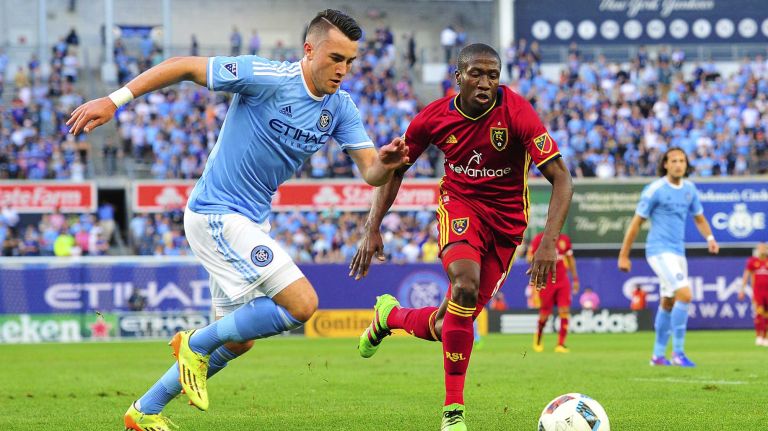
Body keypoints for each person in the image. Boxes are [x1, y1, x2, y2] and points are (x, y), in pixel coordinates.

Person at [68, 10, 408, 431]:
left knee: (239, 340)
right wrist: (115, 100)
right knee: (303, 305)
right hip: (216, 213)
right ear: (309, 49)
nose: (343, 69)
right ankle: (194, 343)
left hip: (248, 221)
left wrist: (387, 164)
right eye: (335, 57)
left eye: (350, 61)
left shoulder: (339, 108)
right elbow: (185, 66)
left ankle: (145, 410)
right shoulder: (267, 77)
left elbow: (371, 172)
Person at [349, 43, 573, 431]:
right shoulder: (433, 118)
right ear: (458, 77)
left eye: (493, 75)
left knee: (448, 325)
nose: (486, 82)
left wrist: (549, 242)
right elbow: (395, 168)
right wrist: (372, 226)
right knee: (464, 287)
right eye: (476, 74)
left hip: (507, 226)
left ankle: (390, 316)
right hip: (460, 205)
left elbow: (562, 178)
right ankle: (454, 412)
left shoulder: (518, 112)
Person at [618, 147, 719, 367]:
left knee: (669, 300)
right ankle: (679, 353)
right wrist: (624, 255)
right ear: (665, 164)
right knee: (685, 294)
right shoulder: (655, 190)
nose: (678, 164)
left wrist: (710, 237)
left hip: (678, 252)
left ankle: (657, 355)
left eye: (682, 160)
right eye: (673, 160)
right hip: (658, 250)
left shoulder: (689, 189)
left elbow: (699, 218)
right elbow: (636, 224)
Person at [529, 231, 579, 353]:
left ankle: (561, 344)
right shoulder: (539, 239)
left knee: (564, 310)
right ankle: (538, 340)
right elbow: (529, 257)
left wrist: (575, 279)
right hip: (546, 281)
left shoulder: (564, 239)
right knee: (545, 313)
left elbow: (570, 259)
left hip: (562, 281)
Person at [739, 243, 768, 346]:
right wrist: (742, 289)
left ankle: (765, 337)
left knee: (767, 315)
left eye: (764, 248)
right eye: (761, 248)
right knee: (759, 313)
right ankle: (758, 336)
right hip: (758, 292)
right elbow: (746, 275)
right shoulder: (753, 261)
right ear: (757, 250)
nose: (763, 250)